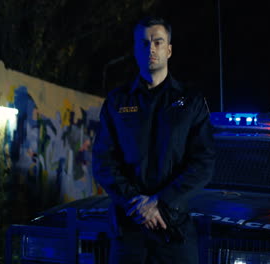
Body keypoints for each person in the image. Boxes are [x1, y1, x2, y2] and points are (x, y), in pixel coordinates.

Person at [92, 16, 215, 264]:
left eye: (158, 42)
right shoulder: (118, 102)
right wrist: (137, 205)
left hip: (174, 230)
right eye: (144, 43)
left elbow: (203, 163)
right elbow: (103, 162)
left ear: (169, 50)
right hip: (129, 231)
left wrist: (160, 203)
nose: (151, 49)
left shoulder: (191, 102)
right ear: (135, 50)